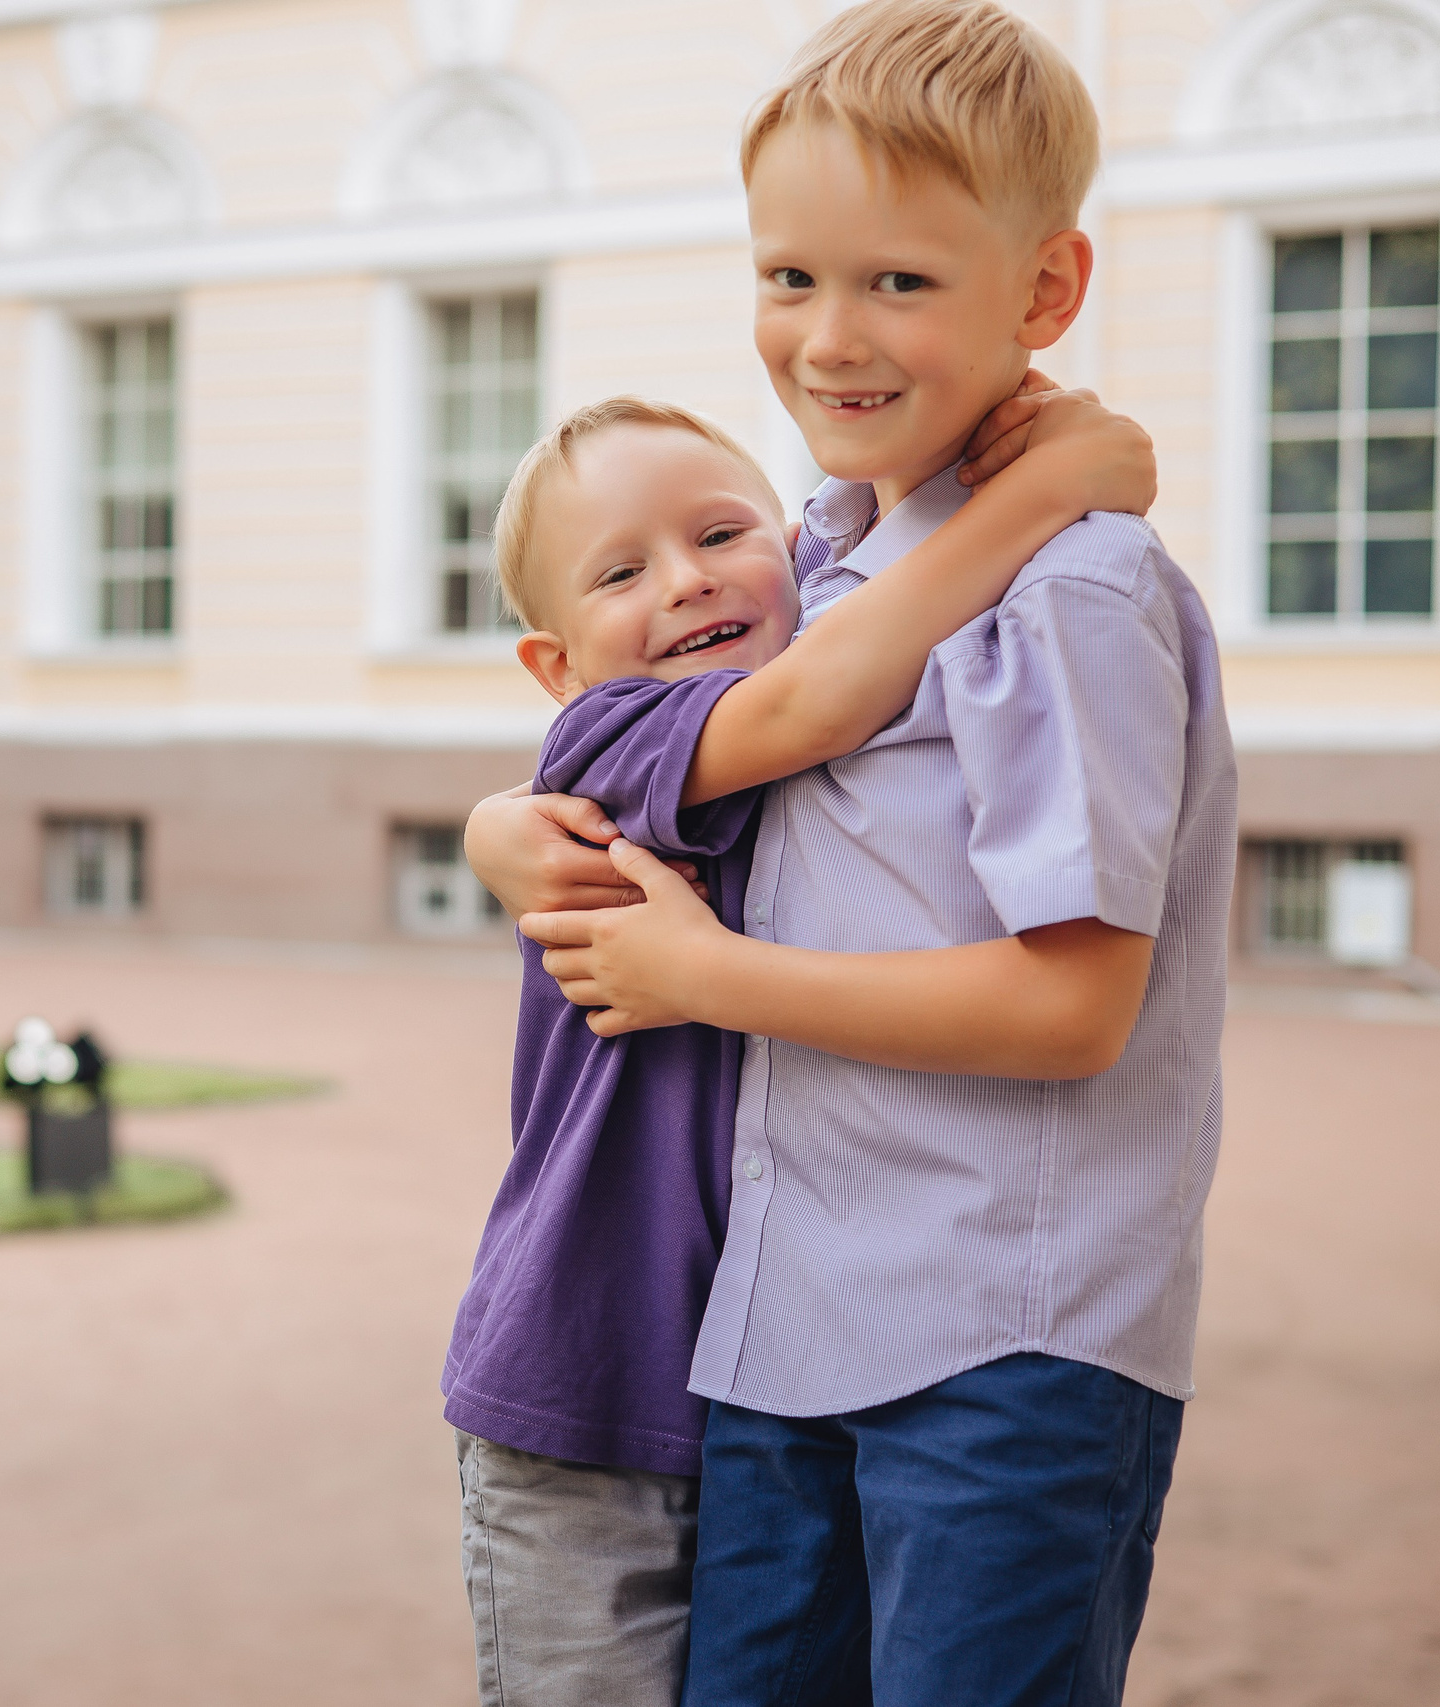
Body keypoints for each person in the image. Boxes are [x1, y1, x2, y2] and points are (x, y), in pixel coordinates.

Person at [469, 5, 1237, 1701]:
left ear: (1044, 295)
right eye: (789, 278)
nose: (829, 337)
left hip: (1006, 1340)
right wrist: (498, 827)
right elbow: (756, 710)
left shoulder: (1076, 594)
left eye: (899, 282)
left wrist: (708, 977)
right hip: (772, 1340)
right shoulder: (805, 572)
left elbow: (1075, 1012)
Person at [446, 384, 1158, 1707]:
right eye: (621, 569)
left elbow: (849, 643)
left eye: (723, 535)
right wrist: (1049, 486)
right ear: (556, 667)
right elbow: (828, 691)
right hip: (586, 1390)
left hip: (757, 1389)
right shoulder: (618, 736)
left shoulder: (793, 692)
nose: (686, 581)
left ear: (796, 550)